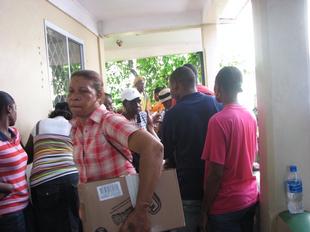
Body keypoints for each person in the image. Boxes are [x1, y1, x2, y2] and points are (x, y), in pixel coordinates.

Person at [67, 70, 163, 232]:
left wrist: (141, 211)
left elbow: (154, 149)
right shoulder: (76, 128)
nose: (74, 96)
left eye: (83, 91)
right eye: (71, 91)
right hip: (100, 215)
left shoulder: (108, 121)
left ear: (99, 96)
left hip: (127, 214)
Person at [161, 66, 221, 232]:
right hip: (218, 189)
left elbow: (166, 153)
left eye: (171, 88)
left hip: (188, 191)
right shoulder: (216, 103)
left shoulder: (172, 115)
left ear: (176, 86)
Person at [200, 66, 258, 232]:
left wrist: (204, 210)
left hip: (225, 205)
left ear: (218, 88)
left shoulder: (218, 121)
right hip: (249, 199)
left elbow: (216, 173)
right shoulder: (250, 116)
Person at [24, 102, 81, 232]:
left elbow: (28, 156)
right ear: (70, 113)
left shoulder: (39, 124)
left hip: (44, 182)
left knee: (48, 224)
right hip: (71, 178)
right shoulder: (73, 126)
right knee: (73, 220)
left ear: (54, 112)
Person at [0, 91, 29, 232]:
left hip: (25, 204)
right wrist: (7, 188)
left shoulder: (15, 134)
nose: (16, 112)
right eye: (15, 108)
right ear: (9, 108)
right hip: (8, 212)